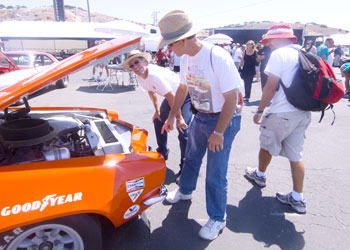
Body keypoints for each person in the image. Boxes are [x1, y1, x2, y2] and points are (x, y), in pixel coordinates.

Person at [158, 10, 242, 241]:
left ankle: (217, 217)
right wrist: (172, 116)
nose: (168, 50)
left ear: (183, 40)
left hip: (223, 119)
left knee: (216, 172)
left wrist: (219, 132)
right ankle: (185, 191)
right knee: (192, 157)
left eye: (170, 44)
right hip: (201, 115)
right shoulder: (185, 58)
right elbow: (182, 89)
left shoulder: (218, 56)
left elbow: (232, 98)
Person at [245, 23, 311, 214]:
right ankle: (298, 198)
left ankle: (260, 175)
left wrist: (259, 110)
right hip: (302, 112)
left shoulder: (280, 55)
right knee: (296, 156)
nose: (268, 44)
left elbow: (271, 86)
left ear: (279, 38)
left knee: (266, 144)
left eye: (269, 40)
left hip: (282, 111)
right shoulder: (303, 52)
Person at [122, 49, 192, 176]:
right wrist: (157, 111)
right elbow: (151, 91)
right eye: (132, 65)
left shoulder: (154, 75)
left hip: (185, 94)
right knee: (158, 120)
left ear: (144, 61)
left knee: (183, 130)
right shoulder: (140, 77)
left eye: (136, 62)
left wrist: (178, 118)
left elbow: (171, 97)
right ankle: (163, 151)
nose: (135, 67)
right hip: (172, 96)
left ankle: (186, 167)